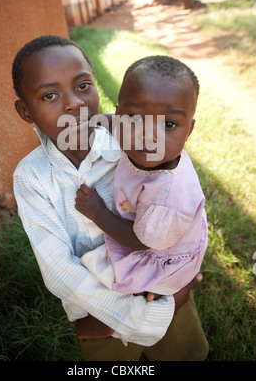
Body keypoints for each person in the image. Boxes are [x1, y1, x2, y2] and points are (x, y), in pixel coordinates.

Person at [12, 35, 208, 361]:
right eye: (49, 95)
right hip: (99, 314)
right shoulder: (32, 177)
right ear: (25, 111)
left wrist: (171, 292)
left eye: (83, 86)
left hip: (160, 289)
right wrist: (130, 318)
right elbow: (60, 271)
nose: (73, 103)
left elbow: (180, 205)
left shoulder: (136, 143)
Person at [75, 55, 207, 341]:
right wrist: (95, 123)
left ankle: (115, 319)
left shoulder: (167, 196)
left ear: (190, 130)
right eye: (134, 118)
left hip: (163, 254)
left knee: (110, 280)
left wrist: (97, 212)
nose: (149, 136)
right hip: (169, 232)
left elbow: (139, 240)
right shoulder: (143, 145)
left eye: (169, 125)